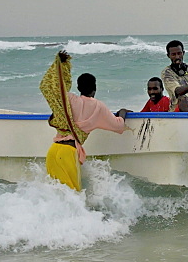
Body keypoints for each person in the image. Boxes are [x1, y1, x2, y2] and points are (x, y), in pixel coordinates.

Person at [39, 50, 127, 190]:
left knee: (54, 193)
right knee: (72, 195)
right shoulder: (98, 107)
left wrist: (62, 65)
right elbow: (118, 126)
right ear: (95, 88)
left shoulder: (67, 100)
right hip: (68, 153)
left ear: (78, 87)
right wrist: (122, 113)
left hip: (53, 151)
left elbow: (53, 86)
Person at [161, 40, 188, 111]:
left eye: (179, 53)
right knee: (182, 99)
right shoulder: (167, 73)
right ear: (168, 56)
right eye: (173, 54)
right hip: (179, 108)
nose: (177, 57)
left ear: (183, 53)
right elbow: (177, 91)